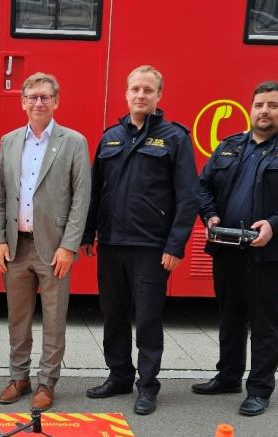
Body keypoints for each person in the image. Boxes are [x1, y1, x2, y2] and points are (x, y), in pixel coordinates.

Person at [192, 81, 278, 416]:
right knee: (230, 316)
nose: (264, 111)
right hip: (227, 249)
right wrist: (209, 215)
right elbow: (202, 186)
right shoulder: (229, 146)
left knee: (264, 322)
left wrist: (275, 223)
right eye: (259, 105)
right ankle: (228, 376)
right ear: (250, 109)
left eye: (272, 105)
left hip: (270, 254)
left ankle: (260, 389)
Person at [80, 65, 199, 415]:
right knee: (113, 314)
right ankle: (119, 375)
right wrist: (89, 233)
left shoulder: (175, 138)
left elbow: (188, 196)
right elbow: (95, 191)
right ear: (126, 93)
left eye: (148, 90)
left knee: (147, 318)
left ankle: (147, 385)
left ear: (159, 96)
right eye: (135, 89)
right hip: (112, 244)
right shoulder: (110, 137)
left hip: (151, 247)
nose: (141, 95)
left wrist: (175, 245)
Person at [0, 72, 91, 411]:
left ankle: (47, 383)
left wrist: (69, 246)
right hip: (16, 247)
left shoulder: (73, 142)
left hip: (54, 248)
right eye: (32, 97)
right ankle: (19, 377)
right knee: (17, 317)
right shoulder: (9, 141)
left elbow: (81, 199)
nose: (38, 102)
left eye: (45, 97)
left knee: (53, 319)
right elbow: (0, 195)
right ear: (22, 102)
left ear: (56, 101)